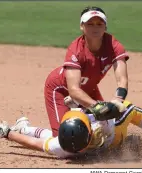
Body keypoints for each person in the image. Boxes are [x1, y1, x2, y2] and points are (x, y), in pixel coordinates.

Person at [0, 100, 142, 159]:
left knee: (50, 136)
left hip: (92, 151)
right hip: (114, 140)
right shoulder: (101, 125)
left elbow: (36, 143)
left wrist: (8, 134)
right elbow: (107, 109)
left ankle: (24, 127)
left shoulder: (62, 147)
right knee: (128, 108)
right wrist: (78, 102)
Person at [44, 6, 129, 137]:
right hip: (60, 88)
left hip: (88, 88)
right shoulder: (76, 50)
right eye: (90, 24)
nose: (95, 27)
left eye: (99, 24)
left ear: (105, 27)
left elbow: (122, 79)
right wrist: (97, 106)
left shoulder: (113, 45)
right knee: (65, 138)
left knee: (107, 129)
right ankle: (25, 130)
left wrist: (118, 99)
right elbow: (73, 90)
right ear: (82, 26)